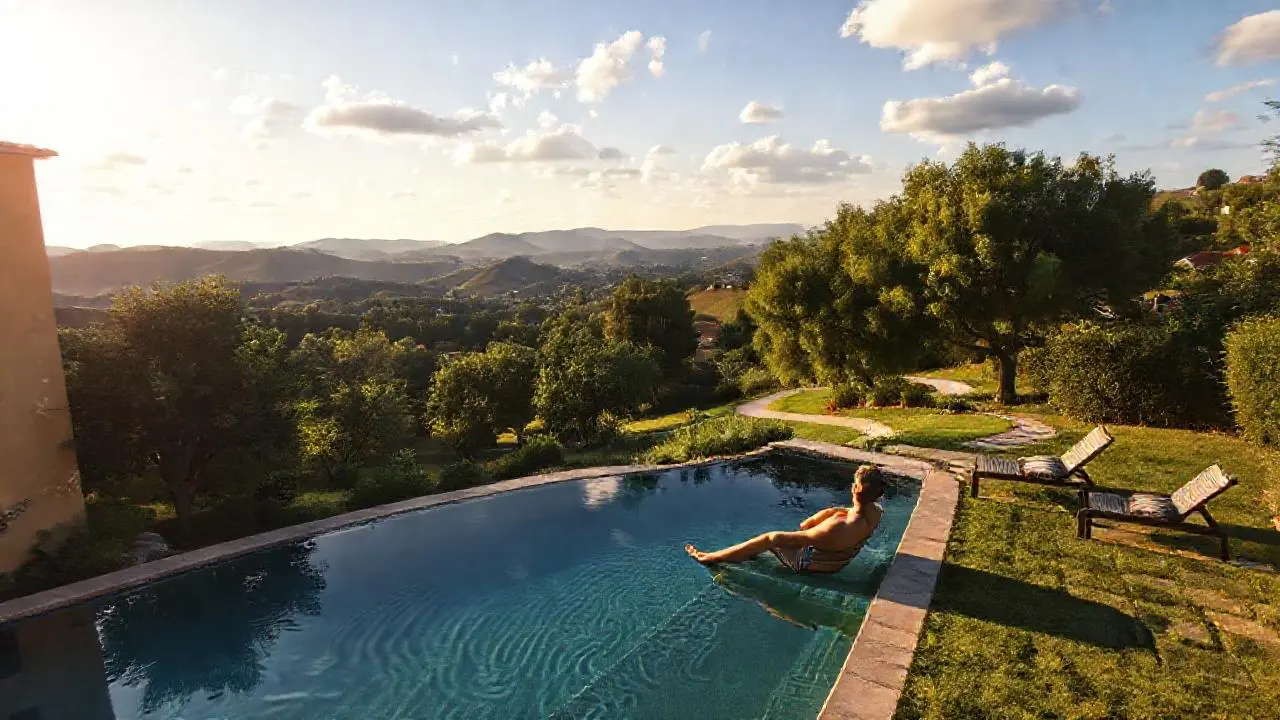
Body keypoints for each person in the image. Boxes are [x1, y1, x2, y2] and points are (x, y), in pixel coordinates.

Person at [684, 464, 885, 574]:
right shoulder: (876, 511)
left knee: (769, 540)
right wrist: (835, 511)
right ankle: (744, 554)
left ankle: (711, 558)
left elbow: (801, 528)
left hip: (817, 564)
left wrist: (828, 513)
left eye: (854, 483)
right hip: (840, 558)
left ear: (855, 489)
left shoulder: (837, 525)